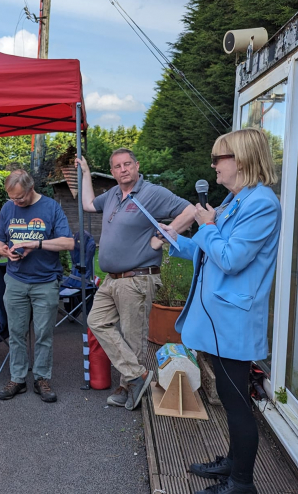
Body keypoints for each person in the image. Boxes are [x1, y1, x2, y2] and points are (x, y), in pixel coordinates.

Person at [158, 129, 280, 494]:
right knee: (229, 399)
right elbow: (208, 249)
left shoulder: (261, 203)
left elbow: (229, 258)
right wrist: (176, 240)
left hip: (233, 322)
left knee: (237, 402)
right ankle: (233, 462)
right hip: (218, 321)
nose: (213, 166)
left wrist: (207, 226)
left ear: (240, 160)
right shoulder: (234, 201)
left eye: (218, 159)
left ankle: (241, 482)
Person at [77, 148, 195, 411]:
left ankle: (127, 387)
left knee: (132, 337)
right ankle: (137, 376)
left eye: (127, 164)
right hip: (111, 279)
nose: (123, 169)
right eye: (117, 166)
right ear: (112, 172)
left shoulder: (152, 193)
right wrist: (85, 173)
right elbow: (87, 204)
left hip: (137, 277)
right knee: (97, 321)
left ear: (137, 165)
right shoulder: (112, 195)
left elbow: (189, 210)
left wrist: (166, 234)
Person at [0, 170, 74, 402]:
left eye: (20, 198)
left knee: (43, 334)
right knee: (16, 333)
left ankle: (41, 378)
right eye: (12, 198)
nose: (16, 202)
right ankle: (17, 379)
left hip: (45, 282)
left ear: (31, 188)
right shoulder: (8, 208)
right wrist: (3, 250)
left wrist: (36, 243)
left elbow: (68, 242)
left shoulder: (51, 207)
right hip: (16, 280)